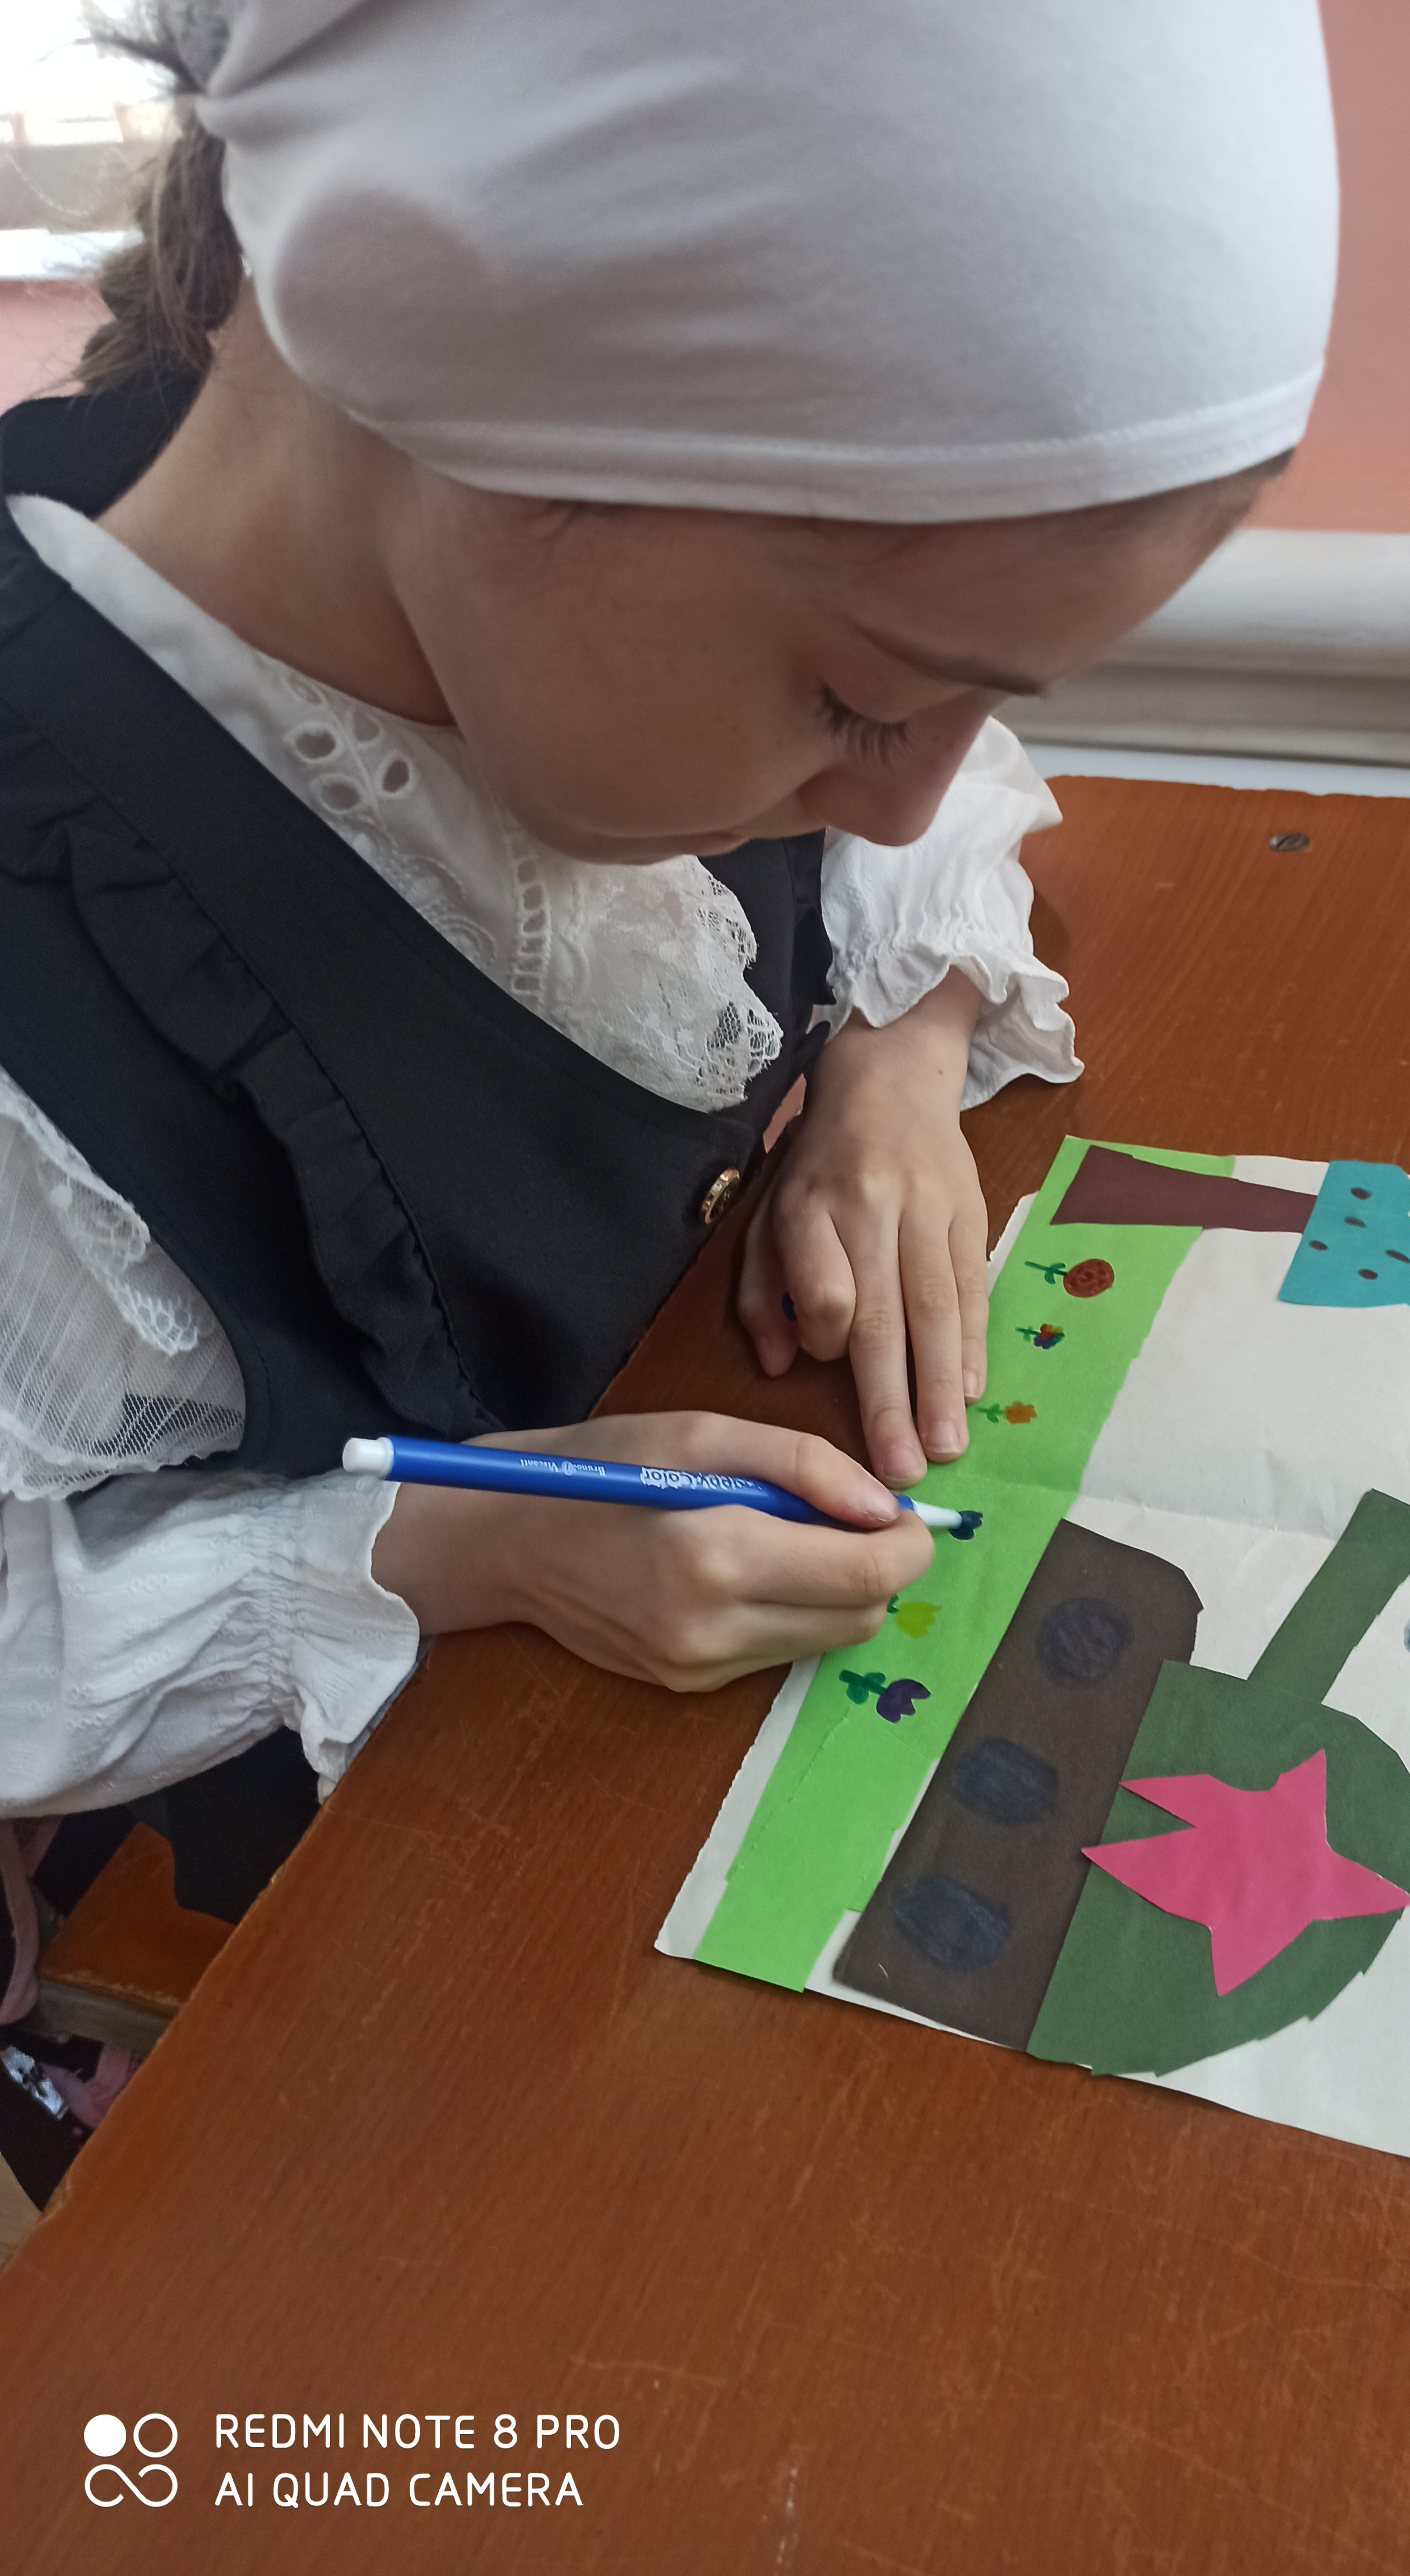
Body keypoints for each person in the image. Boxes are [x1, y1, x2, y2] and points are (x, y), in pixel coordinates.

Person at [0, 0, 1339, 1971]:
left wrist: (896, 1067)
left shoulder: (575, 625)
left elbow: (945, 813)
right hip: (374, 1905)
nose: (906, 792)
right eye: (859, 699)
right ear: (453, 365)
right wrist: (466, 1542)